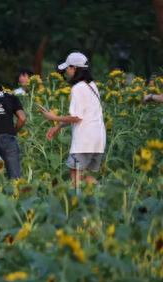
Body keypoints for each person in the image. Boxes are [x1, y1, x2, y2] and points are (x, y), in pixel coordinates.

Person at [40, 52, 106, 187]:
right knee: (84, 177)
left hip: (84, 139)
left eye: (67, 69)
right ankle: (103, 197)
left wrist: (53, 117)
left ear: (74, 68)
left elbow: (76, 117)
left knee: (75, 178)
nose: (65, 72)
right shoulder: (92, 85)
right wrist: (58, 126)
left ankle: (80, 204)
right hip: (98, 139)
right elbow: (84, 114)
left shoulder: (78, 88)